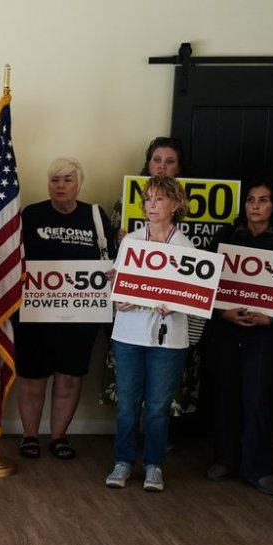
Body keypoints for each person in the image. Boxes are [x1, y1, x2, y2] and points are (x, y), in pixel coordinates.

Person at [15, 158, 116, 460]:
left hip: (80, 314)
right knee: (33, 377)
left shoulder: (96, 216)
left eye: (67, 179)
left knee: (69, 377)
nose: (61, 186)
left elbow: (111, 259)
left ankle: (59, 437)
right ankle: (29, 435)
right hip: (36, 313)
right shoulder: (31, 215)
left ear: (79, 183)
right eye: (55, 180)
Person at [105, 176, 193, 492]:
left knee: (157, 405)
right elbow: (117, 286)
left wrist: (176, 302)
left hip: (169, 339)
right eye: (148, 199)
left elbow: (192, 294)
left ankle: (154, 465)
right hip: (129, 334)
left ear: (175, 205)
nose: (151, 206)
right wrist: (119, 292)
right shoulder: (131, 241)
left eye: (159, 199)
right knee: (128, 403)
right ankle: (123, 461)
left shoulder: (185, 247)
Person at [204, 178, 273, 495]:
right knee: (224, 395)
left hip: (264, 334)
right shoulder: (226, 236)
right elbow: (203, 280)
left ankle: (257, 468)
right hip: (225, 330)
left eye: (263, 200)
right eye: (250, 200)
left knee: (256, 398)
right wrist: (223, 313)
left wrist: (272, 318)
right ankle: (224, 460)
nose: (256, 206)